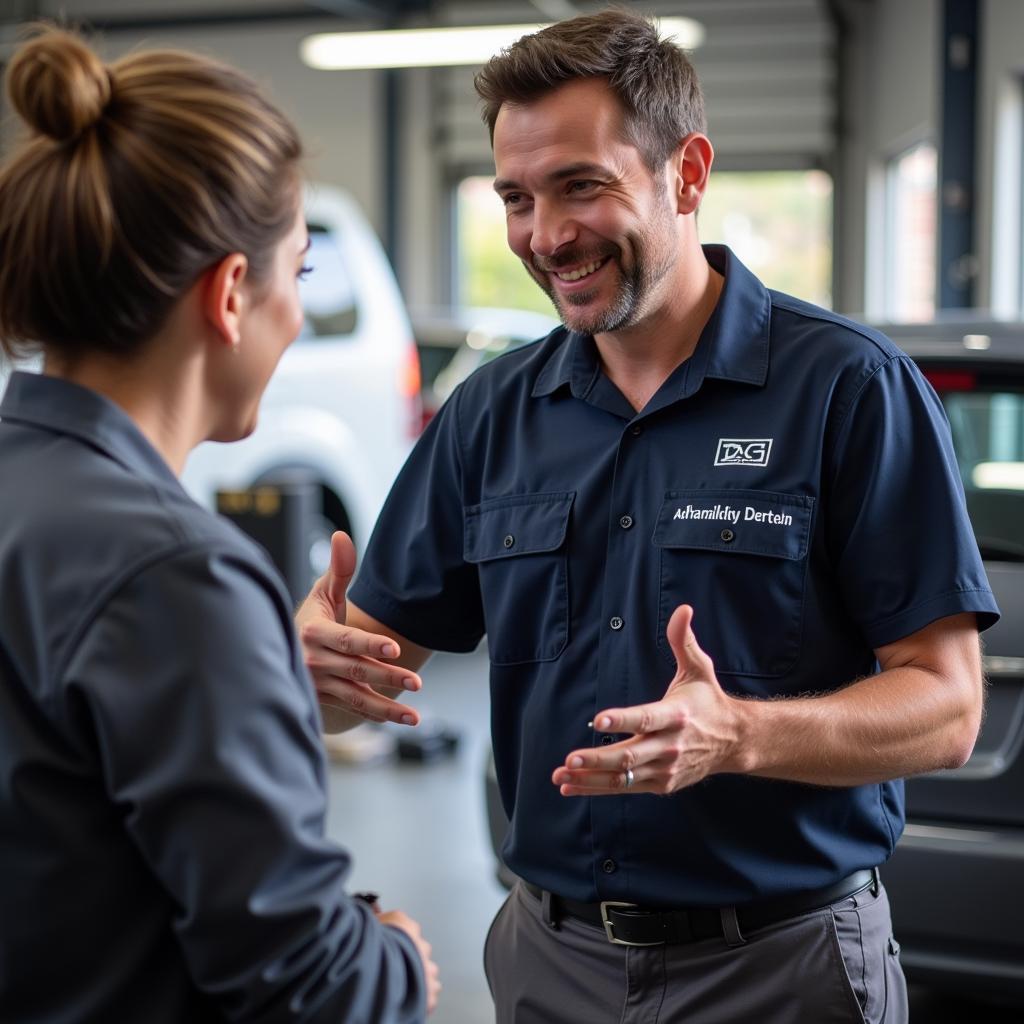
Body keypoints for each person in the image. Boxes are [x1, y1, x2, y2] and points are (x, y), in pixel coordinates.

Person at [297, 10, 999, 1024]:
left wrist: (739, 736)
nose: (545, 235)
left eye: (581, 185)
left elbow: (945, 706)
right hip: (549, 959)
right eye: (516, 198)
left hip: (783, 968)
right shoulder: (490, 416)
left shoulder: (847, 390)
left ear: (686, 171)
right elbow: (356, 673)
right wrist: (305, 665)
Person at [0, 26, 439, 1024]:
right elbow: (310, 988)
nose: (297, 313)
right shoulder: (174, 575)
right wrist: (398, 959)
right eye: (298, 272)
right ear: (233, 293)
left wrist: (253, 671)